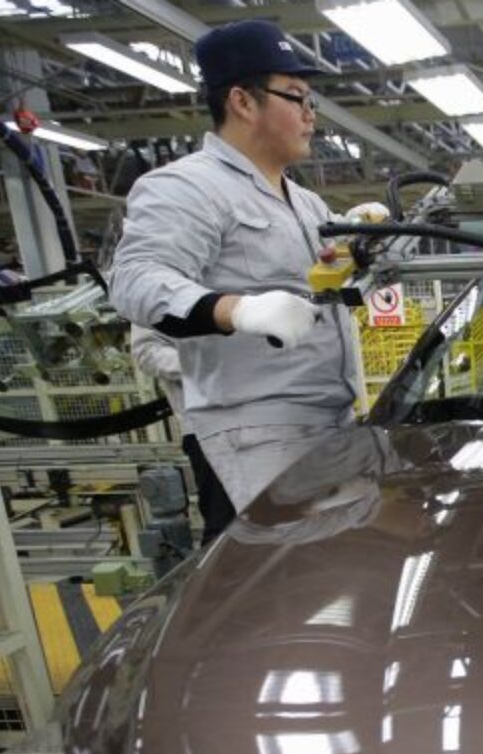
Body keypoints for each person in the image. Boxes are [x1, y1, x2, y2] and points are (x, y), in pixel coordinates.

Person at [108, 19, 382, 512]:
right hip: (261, 428)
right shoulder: (187, 187)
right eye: (297, 98)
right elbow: (134, 279)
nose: (310, 115)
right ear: (242, 102)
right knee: (291, 555)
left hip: (330, 416)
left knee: (340, 550)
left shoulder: (305, 202)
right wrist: (238, 310)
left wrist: (364, 242)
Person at [130, 325, 236, 542]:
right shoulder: (154, 303)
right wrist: (206, 364)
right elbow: (147, 353)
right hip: (208, 425)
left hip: (276, 417)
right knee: (223, 521)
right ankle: (222, 563)